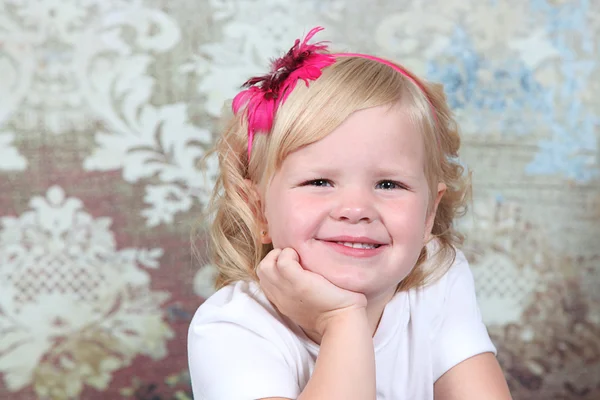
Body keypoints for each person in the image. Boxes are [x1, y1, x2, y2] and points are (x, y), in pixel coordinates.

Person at [188, 26, 512, 400]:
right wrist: (341, 321)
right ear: (257, 209)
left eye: (389, 184)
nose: (356, 210)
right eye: (320, 182)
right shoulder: (233, 327)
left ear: (428, 215)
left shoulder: (437, 281)